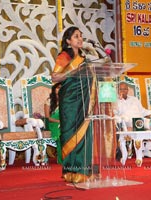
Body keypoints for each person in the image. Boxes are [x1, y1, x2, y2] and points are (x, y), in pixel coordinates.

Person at [51, 26, 96, 183]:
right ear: (68, 41)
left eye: (81, 36)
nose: (80, 39)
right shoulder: (64, 56)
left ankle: (82, 170)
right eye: (76, 36)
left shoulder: (85, 59)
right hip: (69, 101)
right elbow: (55, 77)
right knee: (69, 133)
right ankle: (70, 169)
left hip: (84, 100)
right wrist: (72, 72)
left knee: (83, 133)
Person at [114, 82, 151, 158]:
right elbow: (115, 113)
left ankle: (148, 150)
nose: (123, 91)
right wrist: (120, 100)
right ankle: (140, 150)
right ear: (117, 90)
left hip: (140, 120)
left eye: (125, 89)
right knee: (138, 126)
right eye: (121, 89)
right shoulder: (115, 101)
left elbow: (143, 111)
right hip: (128, 121)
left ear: (127, 90)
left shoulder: (134, 99)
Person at [44, 82, 62, 164]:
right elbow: (48, 117)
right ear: (54, 89)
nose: (59, 90)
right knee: (60, 132)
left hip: (62, 122)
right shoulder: (49, 101)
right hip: (51, 123)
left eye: (61, 88)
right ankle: (61, 159)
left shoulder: (66, 100)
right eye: (57, 88)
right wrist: (58, 121)